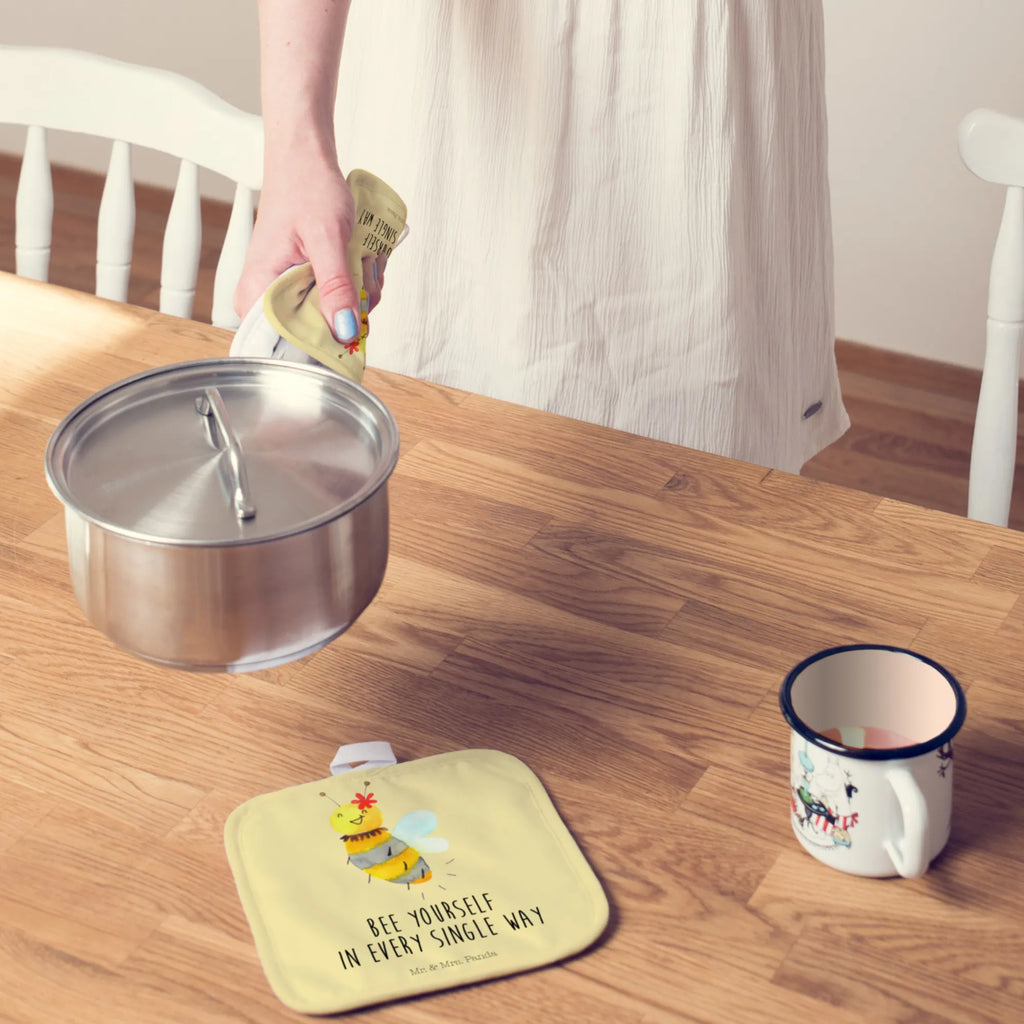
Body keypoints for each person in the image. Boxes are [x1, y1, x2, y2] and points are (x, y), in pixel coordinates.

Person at [235, 0, 849, 473]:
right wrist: (295, 154)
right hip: (458, 84)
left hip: (703, 75)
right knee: (423, 470)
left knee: (708, 486)